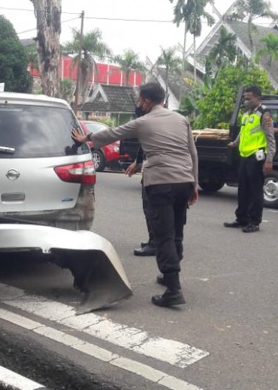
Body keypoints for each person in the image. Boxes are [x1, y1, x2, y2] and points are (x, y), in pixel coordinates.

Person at [71, 82, 199, 308]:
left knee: (164, 236)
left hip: (161, 183)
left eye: (140, 100)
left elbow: (113, 133)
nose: (139, 104)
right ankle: (170, 277)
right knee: (177, 232)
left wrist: (86, 139)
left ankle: (173, 290)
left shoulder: (143, 122)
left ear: (147, 101)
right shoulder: (181, 119)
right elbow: (192, 152)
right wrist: (194, 184)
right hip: (184, 181)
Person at [223, 85, 276, 233]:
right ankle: (241, 219)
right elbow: (244, 131)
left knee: (255, 191)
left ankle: (254, 221)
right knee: (243, 190)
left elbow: (270, 138)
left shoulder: (264, 114)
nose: (246, 101)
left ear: (258, 98)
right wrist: (236, 142)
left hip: (256, 157)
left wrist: (269, 159)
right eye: (245, 98)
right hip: (244, 156)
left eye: (249, 98)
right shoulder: (246, 113)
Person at [126, 146, 156, 257]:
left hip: (155, 171)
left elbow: (143, 142)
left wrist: (88, 138)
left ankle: (155, 243)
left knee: (150, 207)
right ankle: (159, 241)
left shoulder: (150, 128)